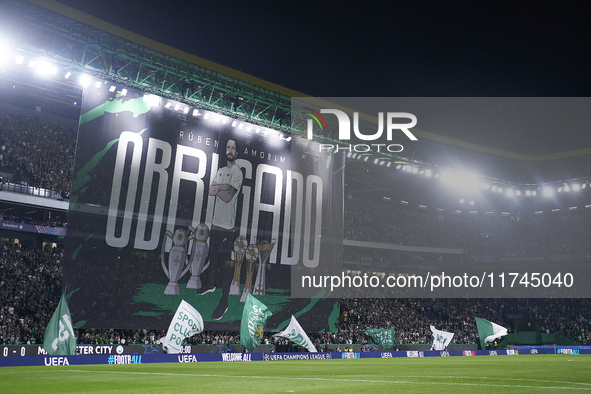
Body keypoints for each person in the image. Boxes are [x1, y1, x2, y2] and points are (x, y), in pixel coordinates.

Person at [199, 139, 243, 320]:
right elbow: (210, 191)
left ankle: (223, 302)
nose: (230, 150)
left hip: (227, 228)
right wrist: (222, 188)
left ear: (237, 152)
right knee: (213, 259)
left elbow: (227, 197)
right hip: (216, 224)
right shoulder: (221, 171)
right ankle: (210, 284)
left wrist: (220, 188)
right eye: (228, 147)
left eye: (233, 148)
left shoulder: (237, 172)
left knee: (225, 266)